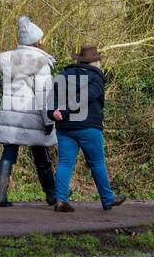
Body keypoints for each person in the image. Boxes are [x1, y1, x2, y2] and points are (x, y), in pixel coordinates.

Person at [49, 45, 125, 212]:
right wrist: (65, 109)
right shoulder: (96, 77)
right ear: (96, 62)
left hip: (65, 127)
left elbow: (51, 99)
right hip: (88, 126)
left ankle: (61, 199)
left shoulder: (62, 76)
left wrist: (53, 112)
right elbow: (87, 95)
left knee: (65, 163)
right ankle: (107, 198)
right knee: (97, 163)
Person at [0, 16, 57, 207]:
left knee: (9, 153)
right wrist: (48, 121)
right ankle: (52, 195)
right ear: (36, 41)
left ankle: (0, 196)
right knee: (41, 155)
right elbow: (43, 94)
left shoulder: (9, 60)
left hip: (11, 113)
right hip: (33, 115)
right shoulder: (41, 62)